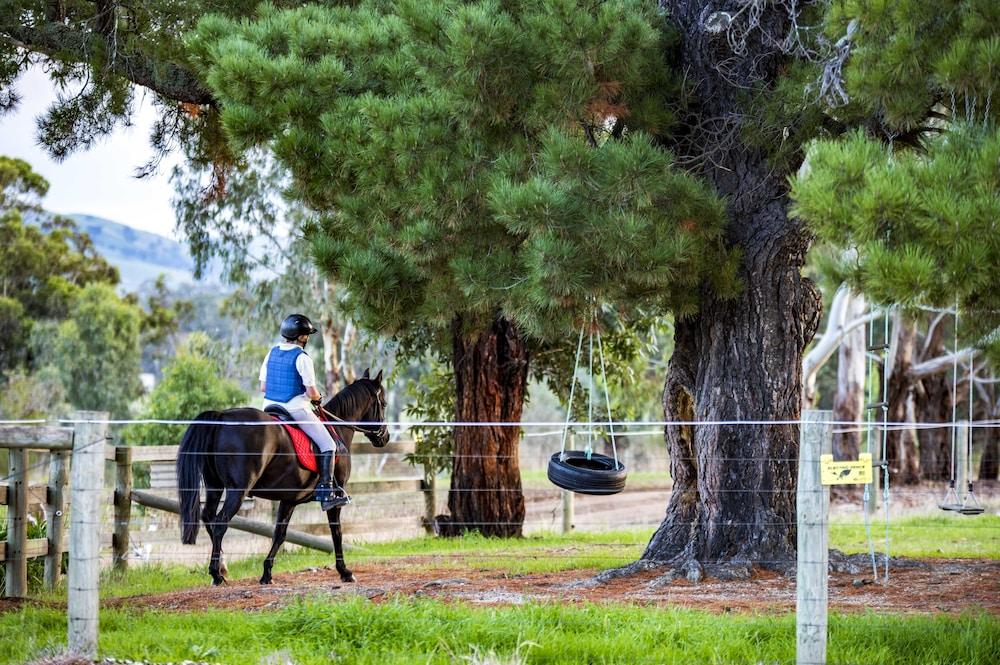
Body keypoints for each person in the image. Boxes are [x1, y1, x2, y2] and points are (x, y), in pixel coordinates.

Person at [259, 313, 350, 509]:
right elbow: (311, 392)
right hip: (295, 409)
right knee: (328, 444)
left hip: (269, 408)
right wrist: (317, 399)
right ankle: (326, 492)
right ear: (301, 337)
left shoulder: (271, 352)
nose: (307, 338)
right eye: (306, 335)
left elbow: (263, 387)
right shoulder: (302, 357)